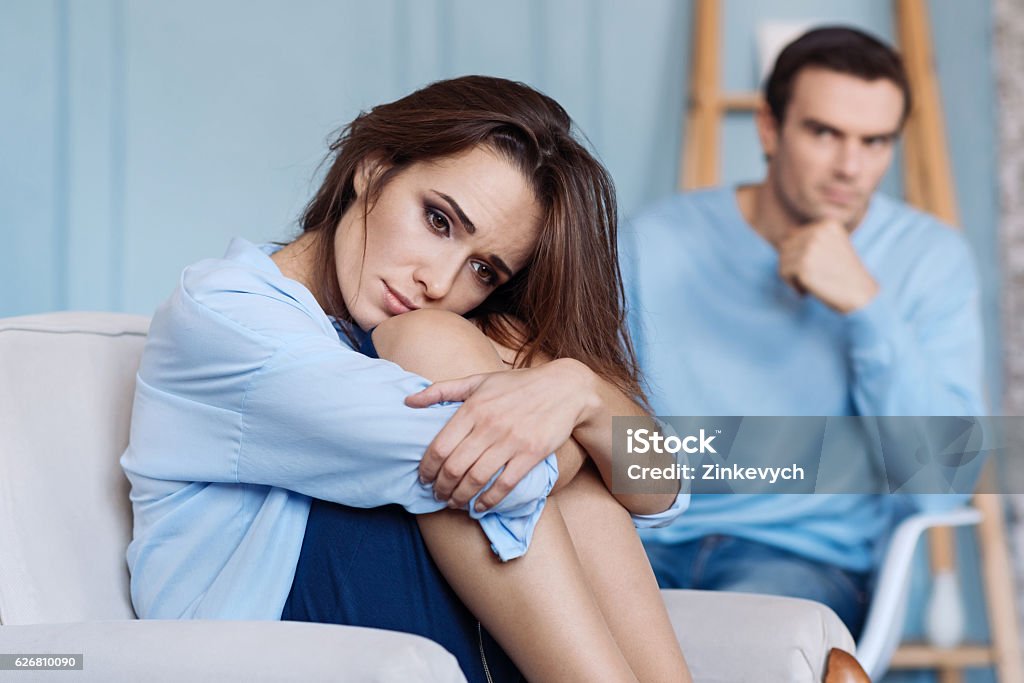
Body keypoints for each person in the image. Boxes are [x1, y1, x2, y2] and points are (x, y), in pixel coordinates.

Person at [121, 75, 691, 682]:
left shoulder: (425, 338)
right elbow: (493, 471)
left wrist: (579, 390)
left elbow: (664, 489)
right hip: (263, 644)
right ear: (373, 168)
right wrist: (572, 416)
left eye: (483, 269)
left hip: (382, 632)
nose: (440, 282)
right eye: (439, 221)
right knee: (481, 382)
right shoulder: (227, 312)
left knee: (543, 405)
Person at [621, 26, 985, 639]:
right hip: (642, 544)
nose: (850, 167)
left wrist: (866, 307)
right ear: (769, 128)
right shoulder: (649, 243)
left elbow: (940, 488)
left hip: (805, 562)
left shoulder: (929, 258)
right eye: (824, 133)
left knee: (735, 648)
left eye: (875, 142)